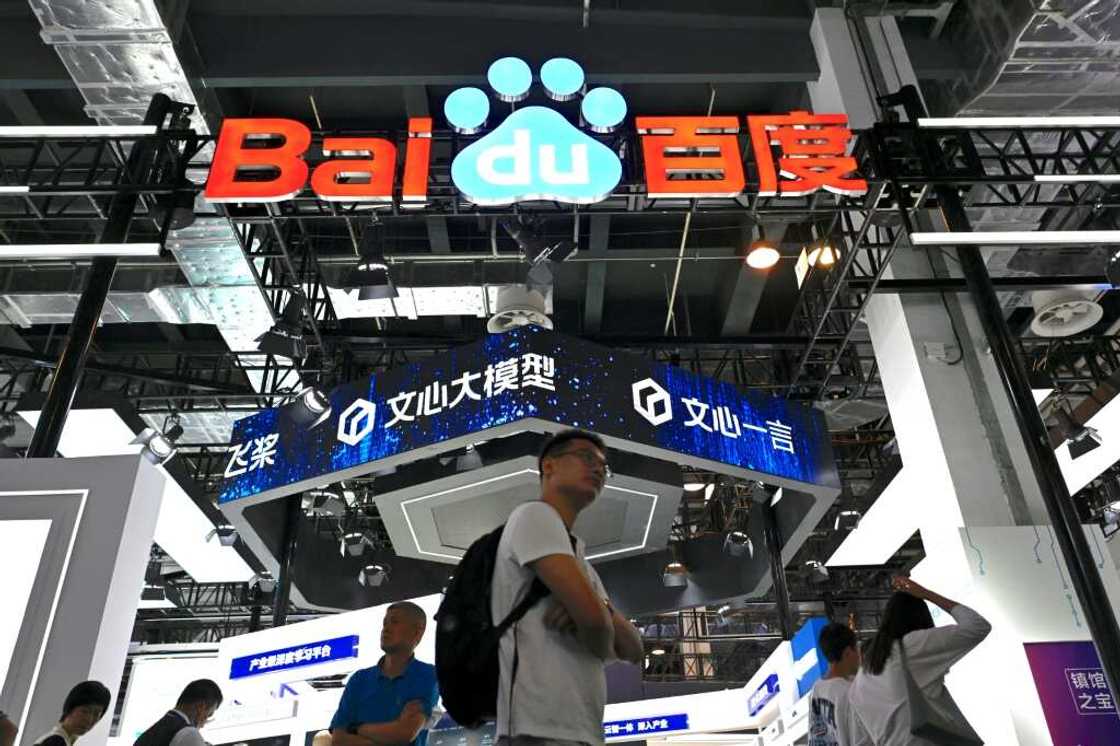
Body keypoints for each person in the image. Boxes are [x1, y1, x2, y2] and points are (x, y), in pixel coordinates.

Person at [491, 429, 644, 746]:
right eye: (587, 458)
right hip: (536, 731)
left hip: (579, 732)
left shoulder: (580, 560)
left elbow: (634, 649)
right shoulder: (534, 516)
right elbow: (601, 631)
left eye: (604, 465)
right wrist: (595, 622)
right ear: (549, 466)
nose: (599, 469)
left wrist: (596, 610)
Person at [849, 576, 992, 746]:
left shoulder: (861, 680)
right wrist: (926, 594)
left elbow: (862, 741)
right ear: (919, 616)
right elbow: (977, 626)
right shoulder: (911, 647)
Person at [330, 602, 439, 746]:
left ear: (417, 631)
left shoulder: (428, 675)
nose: (386, 629)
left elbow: (405, 733)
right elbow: (339, 739)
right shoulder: (359, 679)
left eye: (394, 622)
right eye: (384, 623)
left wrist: (356, 728)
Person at [808, 623, 870, 746]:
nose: (859, 656)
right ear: (847, 653)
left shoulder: (817, 689)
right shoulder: (850, 693)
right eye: (856, 649)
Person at [134, 679, 223, 746]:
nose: (203, 724)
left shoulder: (149, 734)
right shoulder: (189, 733)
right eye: (207, 715)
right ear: (201, 707)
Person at [31, 680, 112, 746]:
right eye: (85, 711)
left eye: (96, 714)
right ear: (70, 708)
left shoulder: (57, 739)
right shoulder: (56, 742)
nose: (89, 719)